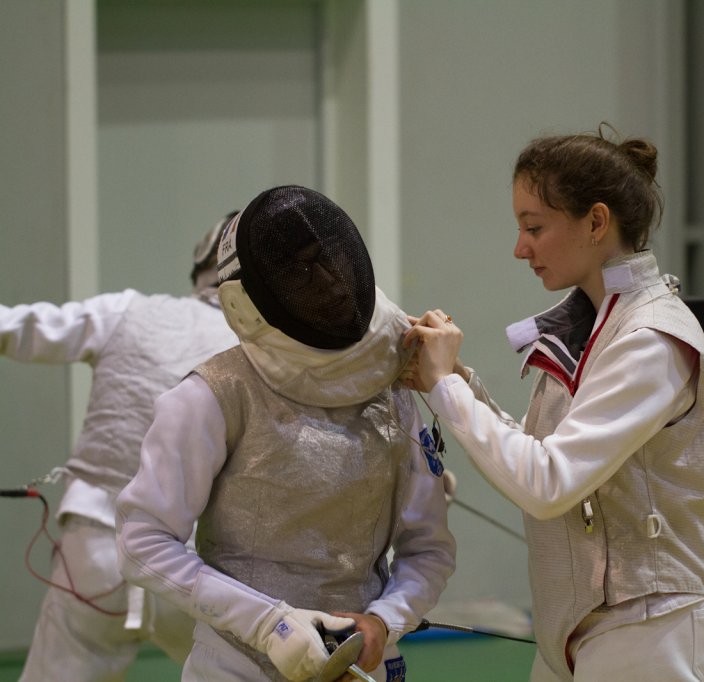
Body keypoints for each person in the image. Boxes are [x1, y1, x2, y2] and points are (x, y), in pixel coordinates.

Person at [404, 128, 704, 681]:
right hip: (577, 629)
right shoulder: (590, 330)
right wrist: (457, 380)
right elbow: (540, 453)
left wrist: (446, 391)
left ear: (596, 222)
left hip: (652, 632)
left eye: (534, 228)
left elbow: (548, 483)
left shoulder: (652, 339)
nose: (520, 248)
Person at [116, 185, 456, 681]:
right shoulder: (213, 394)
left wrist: (385, 621)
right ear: (249, 302)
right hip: (235, 667)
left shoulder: (391, 387)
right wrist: (266, 624)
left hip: (362, 665)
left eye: (331, 258)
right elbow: (141, 541)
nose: (333, 283)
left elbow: (429, 548)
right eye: (301, 272)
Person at [1, 214, 240, 681]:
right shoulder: (264, 351)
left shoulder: (127, 311)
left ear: (199, 272)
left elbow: (18, 327)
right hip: (194, 567)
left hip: (96, 552)